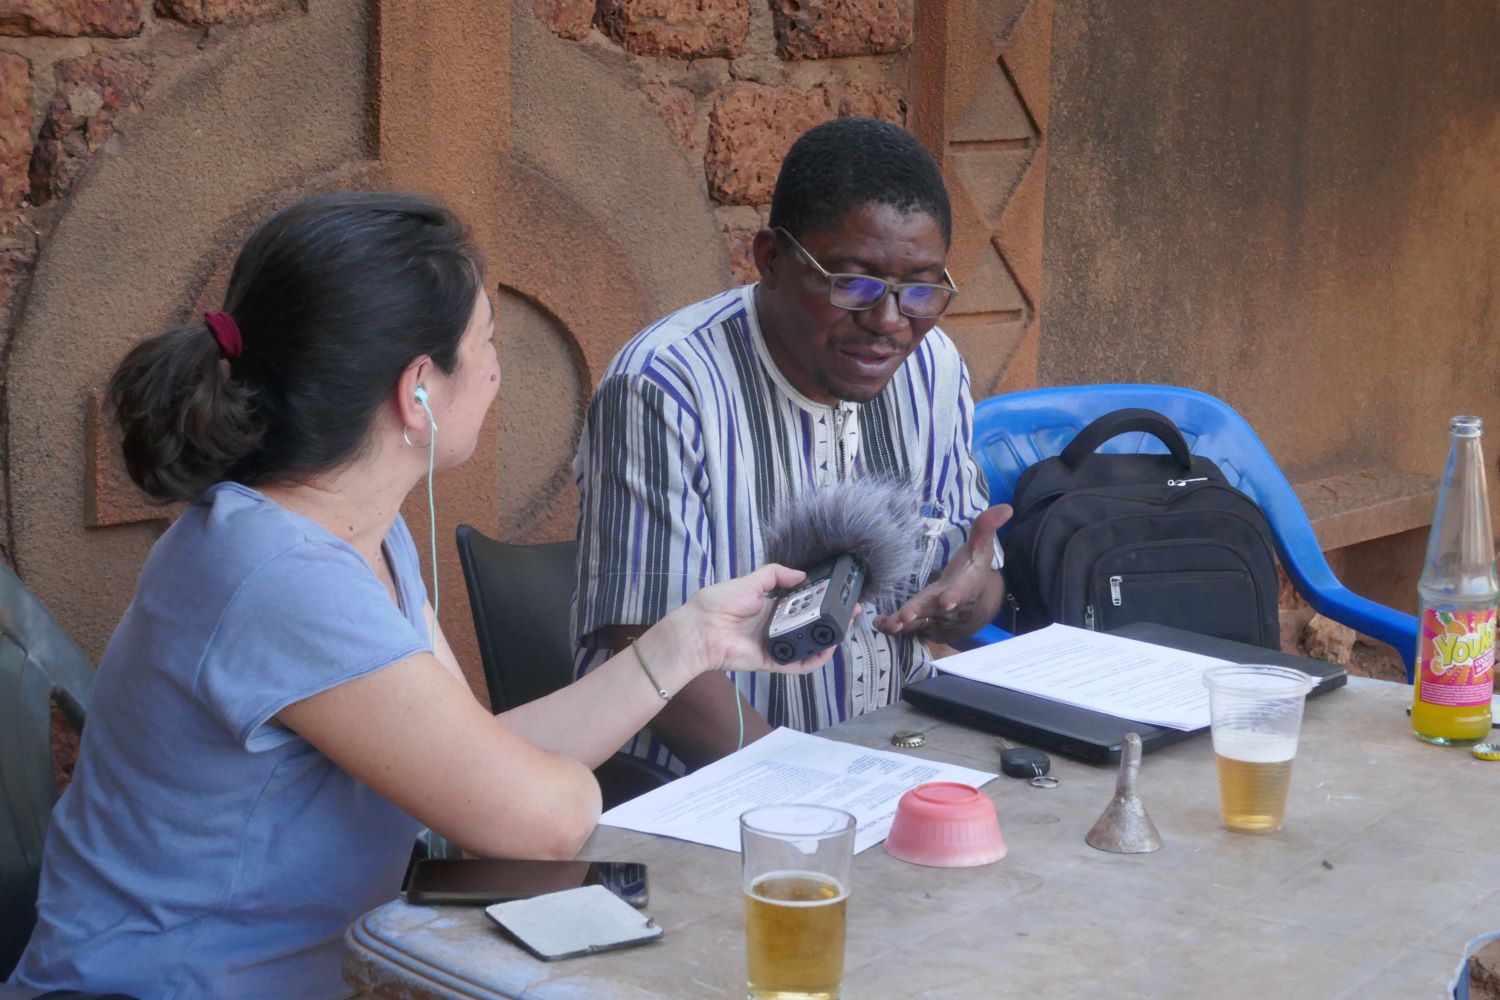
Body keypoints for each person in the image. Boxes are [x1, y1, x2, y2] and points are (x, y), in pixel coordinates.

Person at [7, 192, 829, 1000]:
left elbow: (474, 751)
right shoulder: (277, 573)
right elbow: (531, 815)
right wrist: (565, 793)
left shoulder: (356, 525)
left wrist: (689, 641)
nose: (500, 367)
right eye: (487, 341)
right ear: (418, 392)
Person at [572, 118, 1012, 772]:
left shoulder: (934, 367)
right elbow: (653, 656)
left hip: (891, 757)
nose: (890, 322)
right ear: (772, 260)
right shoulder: (663, 387)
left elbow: (971, 577)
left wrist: (966, 600)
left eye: (921, 289)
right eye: (853, 284)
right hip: (696, 794)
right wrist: (800, 791)